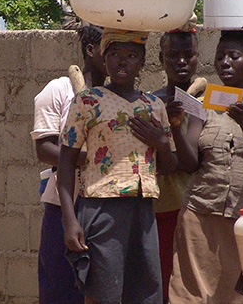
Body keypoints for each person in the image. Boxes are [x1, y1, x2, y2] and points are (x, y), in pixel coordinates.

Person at [57, 29, 179, 304]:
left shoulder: (153, 105)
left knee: (144, 293)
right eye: (114, 55)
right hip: (101, 209)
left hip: (143, 210)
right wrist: (69, 220)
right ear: (104, 58)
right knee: (102, 293)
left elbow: (170, 166)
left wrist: (160, 141)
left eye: (131, 55)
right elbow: (65, 163)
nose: (122, 62)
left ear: (142, 62)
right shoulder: (87, 101)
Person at [168, 30, 243, 304]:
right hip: (198, 217)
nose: (225, 63)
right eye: (220, 57)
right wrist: (175, 128)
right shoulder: (204, 105)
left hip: (242, 223)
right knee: (190, 297)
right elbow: (190, 163)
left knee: (236, 297)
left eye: (234, 56)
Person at [30, 24, 105, 304]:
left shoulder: (115, 96)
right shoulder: (59, 90)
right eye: (108, 47)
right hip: (63, 208)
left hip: (104, 209)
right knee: (61, 289)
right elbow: (45, 149)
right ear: (90, 50)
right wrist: (88, 157)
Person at [151, 29, 200, 304]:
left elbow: (191, 163)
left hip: (194, 210)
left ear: (197, 58)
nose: (181, 61)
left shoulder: (207, 102)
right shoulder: (150, 102)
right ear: (161, 59)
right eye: (173, 55)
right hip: (158, 210)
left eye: (188, 55)